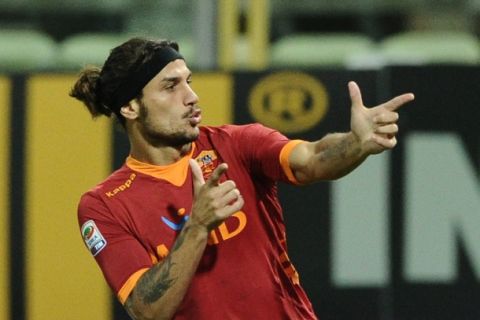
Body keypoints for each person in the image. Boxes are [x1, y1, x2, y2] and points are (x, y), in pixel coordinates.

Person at [70, 37, 414, 320]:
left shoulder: (237, 144)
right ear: (130, 108)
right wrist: (198, 227)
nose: (191, 97)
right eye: (170, 87)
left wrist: (356, 144)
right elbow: (147, 310)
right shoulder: (105, 206)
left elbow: (312, 159)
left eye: (188, 81)